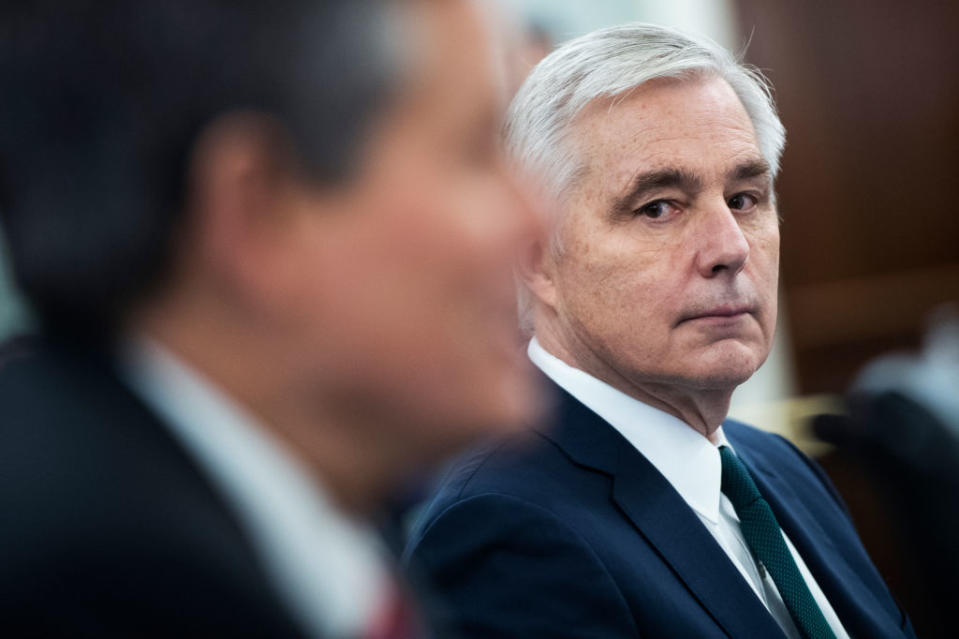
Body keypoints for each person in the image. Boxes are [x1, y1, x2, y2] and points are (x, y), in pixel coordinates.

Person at [0, 1, 542, 637]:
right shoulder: (83, 583)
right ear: (260, 211)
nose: (535, 220)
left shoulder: (281, 528)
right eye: (475, 154)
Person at [405, 23, 915, 638]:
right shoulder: (506, 532)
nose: (729, 248)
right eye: (658, 207)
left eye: (745, 198)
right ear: (536, 255)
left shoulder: (777, 466)